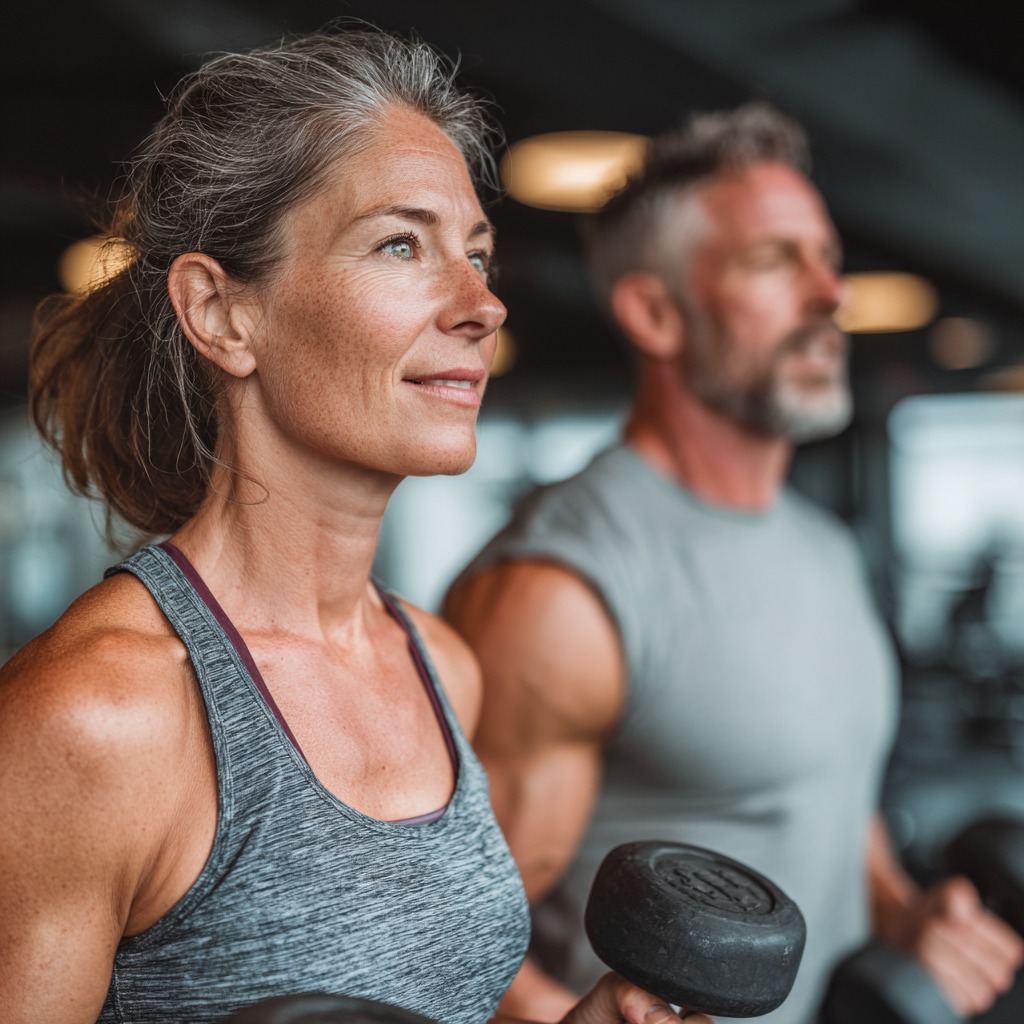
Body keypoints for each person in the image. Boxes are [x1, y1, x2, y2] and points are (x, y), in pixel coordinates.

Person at [0, 29, 713, 1024]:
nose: (483, 303)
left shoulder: (441, 666)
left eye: (476, 254)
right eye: (399, 244)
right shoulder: (99, 715)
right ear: (222, 314)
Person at [446, 104, 1024, 1024]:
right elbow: (452, 943)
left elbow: (833, 817)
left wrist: (906, 916)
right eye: (773, 261)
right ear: (656, 312)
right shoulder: (564, 589)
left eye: (826, 257)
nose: (830, 293)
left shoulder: (826, 549)